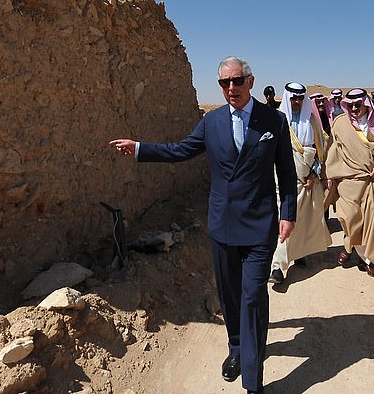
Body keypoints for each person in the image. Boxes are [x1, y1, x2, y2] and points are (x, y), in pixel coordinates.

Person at [109, 56, 297, 394]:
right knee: (229, 293)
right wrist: (139, 149)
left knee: (253, 294)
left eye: (237, 81)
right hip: (223, 223)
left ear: (250, 82)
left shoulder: (274, 120)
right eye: (224, 83)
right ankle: (237, 348)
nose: (231, 88)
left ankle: (254, 381)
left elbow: (286, 171)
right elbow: (180, 150)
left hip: (259, 224)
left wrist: (288, 213)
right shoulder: (211, 123)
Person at [325, 89, 374, 278]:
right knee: (350, 217)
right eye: (350, 105)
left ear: (366, 104)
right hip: (350, 180)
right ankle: (349, 245)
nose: (354, 108)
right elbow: (333, 153)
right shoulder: (340, 124)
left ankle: (368, 260)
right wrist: (329, 177)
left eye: (358, 105)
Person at [268, 84, 331, 283]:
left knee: (302, 220)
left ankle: (299, 252)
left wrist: (315, 174)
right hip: (281, 180)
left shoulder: (312, 121)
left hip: (306, 181)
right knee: (283, 220)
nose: (296, 102)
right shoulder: (276, 120)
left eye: (299, 99)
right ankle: (277, 266)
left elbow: (321, 150)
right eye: (293, 98)